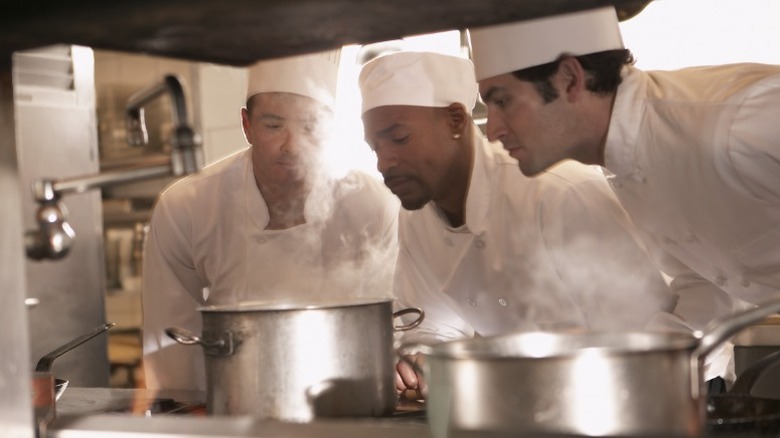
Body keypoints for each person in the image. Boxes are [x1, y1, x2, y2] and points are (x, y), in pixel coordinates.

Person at [468, 6, 780, 384]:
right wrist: (634, 376)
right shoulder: (625, 160)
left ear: (570, 79)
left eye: (501, 101)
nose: (493, 130)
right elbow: (704, 284)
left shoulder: (734, 123)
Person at [358, 50, 675, 398]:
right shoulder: (416, 217)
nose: (384, 162)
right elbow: (432, 327)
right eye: (375, 147)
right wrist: (422, 363)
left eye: (399, 138)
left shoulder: (558, 192)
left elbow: (644, 338)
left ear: (455, 121)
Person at [142, 50, 400, 391]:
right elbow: (171, 343)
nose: (291, 146)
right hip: (234, 400)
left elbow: (392, 323)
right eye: (274, 125)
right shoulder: (186, 206)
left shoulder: (370, 203)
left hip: (344, 397)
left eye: (310, 126)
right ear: (247, 125)